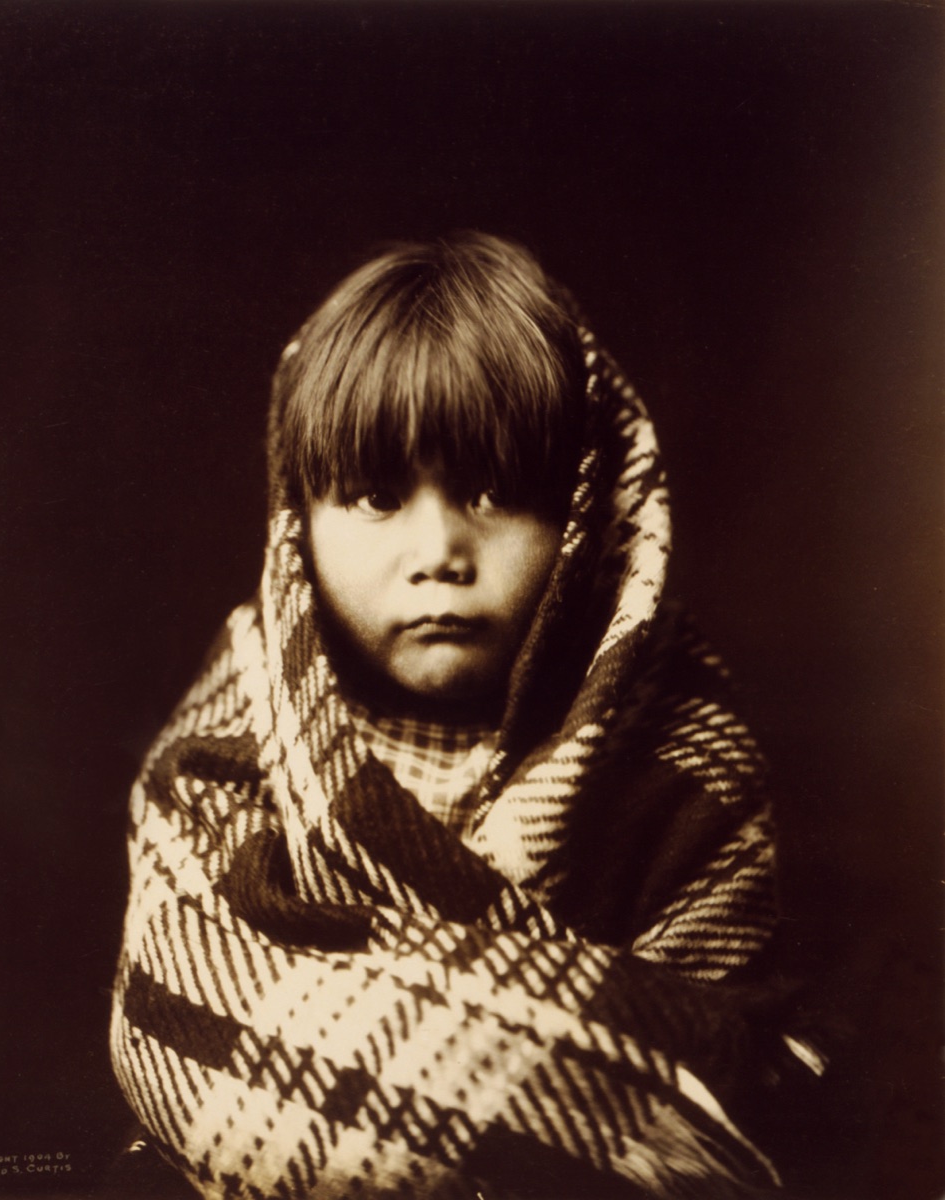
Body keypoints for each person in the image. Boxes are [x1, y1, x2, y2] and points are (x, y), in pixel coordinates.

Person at [109, 233, 822, 1199]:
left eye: (493, 491)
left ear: (585, 511)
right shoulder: (228, 742)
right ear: (297, 523)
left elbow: (723, 1070)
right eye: (374, 496)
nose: (439, 549)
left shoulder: (685, 752)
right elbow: (176, 1001)